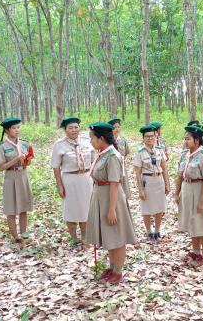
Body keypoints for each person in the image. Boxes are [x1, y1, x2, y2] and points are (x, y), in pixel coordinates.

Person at [85, 122, 136, 284]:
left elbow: (114, 183)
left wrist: (112, 209)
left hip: (111, 198)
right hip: (101, 196)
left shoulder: (112, 156)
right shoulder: (102, 153)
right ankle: (112, 266)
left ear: (101, 138)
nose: (90, 141)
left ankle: (118, 271)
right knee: (109, 235)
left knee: (117, 236)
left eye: (92, 138)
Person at [174, 125, 203, 267]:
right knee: (193, 222)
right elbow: (179, 175)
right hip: (188, 190)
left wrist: (202, 201)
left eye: (188, 139)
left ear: (197, 140)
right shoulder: (185, 155)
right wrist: (177, 193)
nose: (185, 141)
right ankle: (195, 252)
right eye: (185, 139)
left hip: (201, 190)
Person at [51, 117, 94, 247]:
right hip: (69, 179)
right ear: (65, 130)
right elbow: (56, 167)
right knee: (70, 210)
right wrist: (60, 185)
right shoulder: (59, 145)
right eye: (70, 128)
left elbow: (93, 160)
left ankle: (85, 236)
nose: (74, 130)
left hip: (86, 178)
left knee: (86, 209)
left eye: (76, 127)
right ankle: (74, 238)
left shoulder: (87, 142)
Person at [0, 117, 34, 243]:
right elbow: (1, 167)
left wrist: (26, 160)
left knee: (24, 207)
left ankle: (24, 234)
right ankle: (16, 237)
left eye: (18, 127)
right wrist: (15, 160)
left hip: (23, 176)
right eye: (13, 128)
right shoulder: (3, 146)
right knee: (11, 208)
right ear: (6, 130)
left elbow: (29, 160)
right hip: (11, 177)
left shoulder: (24, 143)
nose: (17, 130)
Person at [133, 124, 170, 242]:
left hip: (159, 181)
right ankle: (149, 231)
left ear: (156, 136)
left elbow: (164, 168)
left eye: (152, 136)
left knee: (160, 207)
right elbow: (137, 173)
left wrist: (167, 184)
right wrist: (140, 190)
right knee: (147, 209)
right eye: (147, 136)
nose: (150, 138)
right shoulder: (140, 152)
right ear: (143, 138)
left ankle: (157, 230)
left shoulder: (159, 150)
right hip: (147, 181)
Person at [108, 118, 131, 200]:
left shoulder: (123, 141)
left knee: (124, 190)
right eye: (114, 127)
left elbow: (127, 153)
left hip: (122, 167)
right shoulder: (107, 141)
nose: (117, 129)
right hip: (111, 168)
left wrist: (125, 161)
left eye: (118, 127)